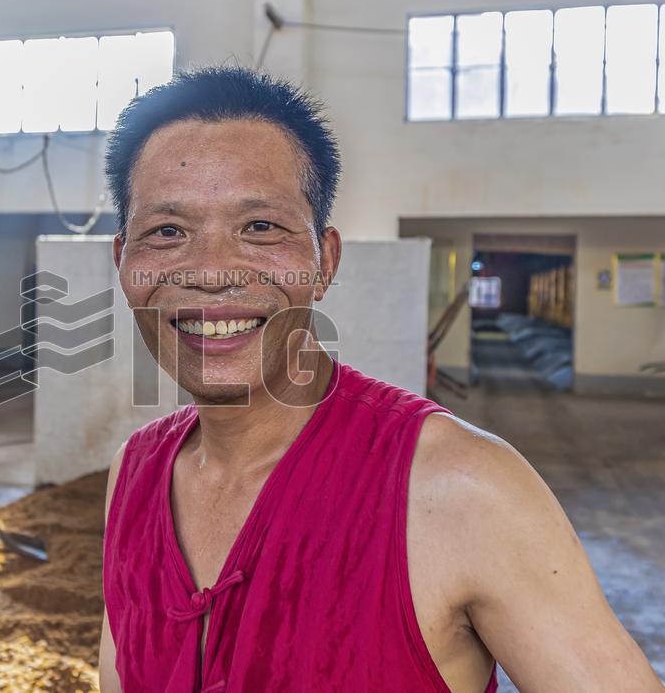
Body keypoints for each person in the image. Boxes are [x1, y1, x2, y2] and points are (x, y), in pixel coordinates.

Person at [98, 68, 661, 691]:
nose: (210, 272)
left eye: (260, 227)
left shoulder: (461, 489)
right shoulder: (135, 474)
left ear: (325, 261)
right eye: (167, 232)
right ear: (123, 263)